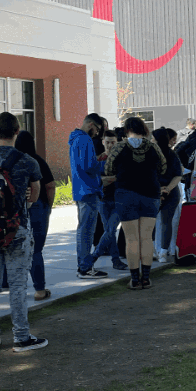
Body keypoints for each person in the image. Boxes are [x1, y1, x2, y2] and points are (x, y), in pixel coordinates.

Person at [0, 112, 47, 352]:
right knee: (17, 285)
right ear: (17, 131)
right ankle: (21, 336)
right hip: (17, 228)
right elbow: (35, 193)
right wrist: (24, 203)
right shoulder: (27, 161)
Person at [105, 116, 167, 289]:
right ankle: (146, 278)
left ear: (126, 130)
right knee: (146, 238)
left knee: (132, 239)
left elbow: (108, 168)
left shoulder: (119, 147)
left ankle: (134, 279)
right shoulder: (153, 147)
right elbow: (163, 167)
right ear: (144, 130)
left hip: (126, 195)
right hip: (151, 194)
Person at [14, 130, 57, 301]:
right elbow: (51, 185)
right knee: (36, 249)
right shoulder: (37, 161)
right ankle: (39, 289)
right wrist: (49, 206)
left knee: (13, 248)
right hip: (38, 206)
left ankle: (7, 284)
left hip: (15, 208)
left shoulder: (11, 161)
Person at [68, 114, 108, 279]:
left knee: (83, 230)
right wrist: (106, 163)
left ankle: (83, 266)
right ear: (91, 124)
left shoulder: (75, 139)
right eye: (97, 129)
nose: (97, 134)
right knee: (86, 231)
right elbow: (89, 166)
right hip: (89, 190)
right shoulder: (85, 140)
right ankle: (85, 267)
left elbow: (84, 164)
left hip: (80, 189)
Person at [92, 130, 128, 272]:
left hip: (119, 200)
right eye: (107, 142)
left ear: (117, 142)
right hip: (103, 200)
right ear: (103, 142)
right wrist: (113, 178)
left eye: (112, 142)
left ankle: (93, 257)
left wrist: (105, 180)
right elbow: (95, 182)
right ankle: (115, 260)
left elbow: (124, 178)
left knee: (111, 229)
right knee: (109, 231)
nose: (110, 145)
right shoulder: (98, 159)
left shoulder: (122, 159)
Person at [153, 126, 184, 262]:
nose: (151, 140)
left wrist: (165, 189)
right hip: (162, 191)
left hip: (167, 193)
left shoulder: (170, 155)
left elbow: (178, 175)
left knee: (163, 222)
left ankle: (162, 252)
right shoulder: (168, 154)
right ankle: (158, 252)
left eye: (153, 138)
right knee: (158, 222)